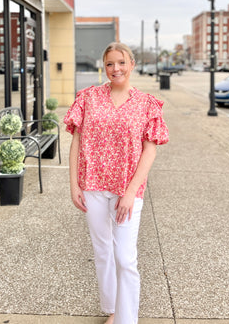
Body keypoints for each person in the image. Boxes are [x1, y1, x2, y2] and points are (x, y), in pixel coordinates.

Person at [64, 42, 169, 324]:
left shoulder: (146, 104)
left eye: (121, 62)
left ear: (132, 65)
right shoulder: (87, 98)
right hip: (93, 186)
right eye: (110, 63)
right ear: (104, 66)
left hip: (127, 190)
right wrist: (73, 184)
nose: (116, 69)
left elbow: (150, 150)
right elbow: (76, 142)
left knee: (125, 257)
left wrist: (131, 193)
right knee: (102, 252)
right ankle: (112, 309)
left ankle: (127, 320)